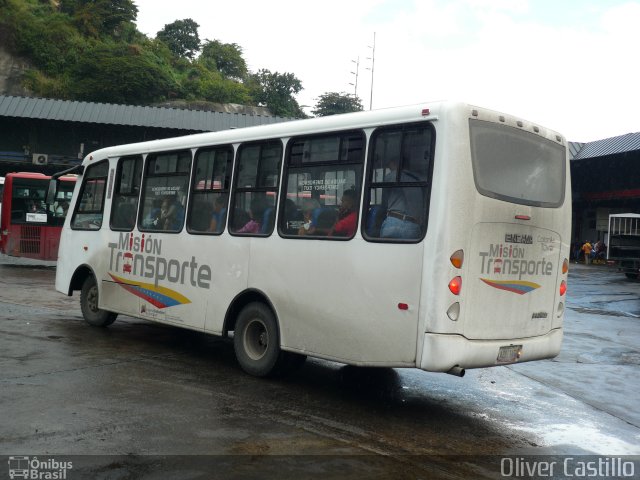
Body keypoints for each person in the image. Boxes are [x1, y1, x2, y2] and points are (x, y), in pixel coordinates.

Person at [379, 157, 424, 239]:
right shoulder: (418, 179)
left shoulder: (393, 175)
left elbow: (384, 203)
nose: (390, 169)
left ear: (395, 163)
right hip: (414, 227)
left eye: (390, 166)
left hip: (394, 222)